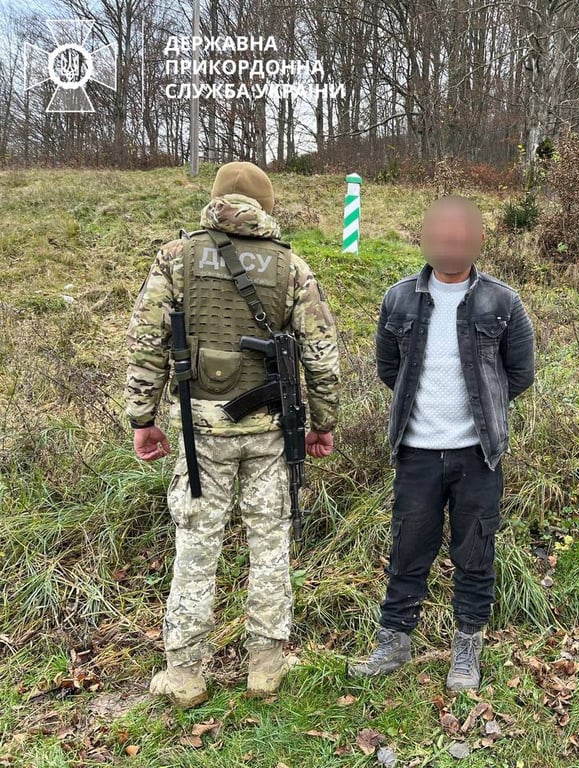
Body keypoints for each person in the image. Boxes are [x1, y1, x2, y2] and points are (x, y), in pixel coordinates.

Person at [126, 161, 341, 708]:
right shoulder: (291, 266)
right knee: (269, 542)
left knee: (196, 544)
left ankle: (184, 672)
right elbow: (321, 354)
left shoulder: (176, 257)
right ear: (267, 207)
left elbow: (147, 341)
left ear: (215, 199)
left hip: (201, 429)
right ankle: (266, 666)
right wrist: (323, 423)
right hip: (270, 430)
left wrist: (143, 419)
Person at [350, 196, 535, 691]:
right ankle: (394, 641)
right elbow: (390, 369)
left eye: (461, 235)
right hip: (416, 452)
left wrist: (483, 408)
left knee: (475, 553)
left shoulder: (503, 302)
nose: (451, 243)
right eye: (442, 235)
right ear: (425, 239)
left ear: (479, 240)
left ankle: (467, 648)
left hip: (478, 453)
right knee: (408, 548)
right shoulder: (397, 299)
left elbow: (519, 373)